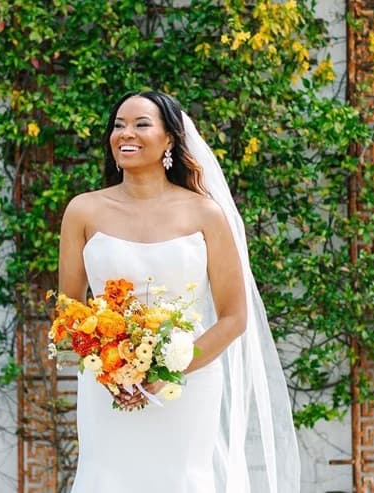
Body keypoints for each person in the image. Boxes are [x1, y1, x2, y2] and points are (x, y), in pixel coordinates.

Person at [58, 91, 300, 493]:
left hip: (188, 387)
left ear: (170, 138)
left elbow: (234, 317)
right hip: (108, 390)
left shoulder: (205, 214)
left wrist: (169, 369)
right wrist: (114, 368)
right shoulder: (83, 210)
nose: (125, 134)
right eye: (118, 125)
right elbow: (68, 312)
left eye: (140, 124)